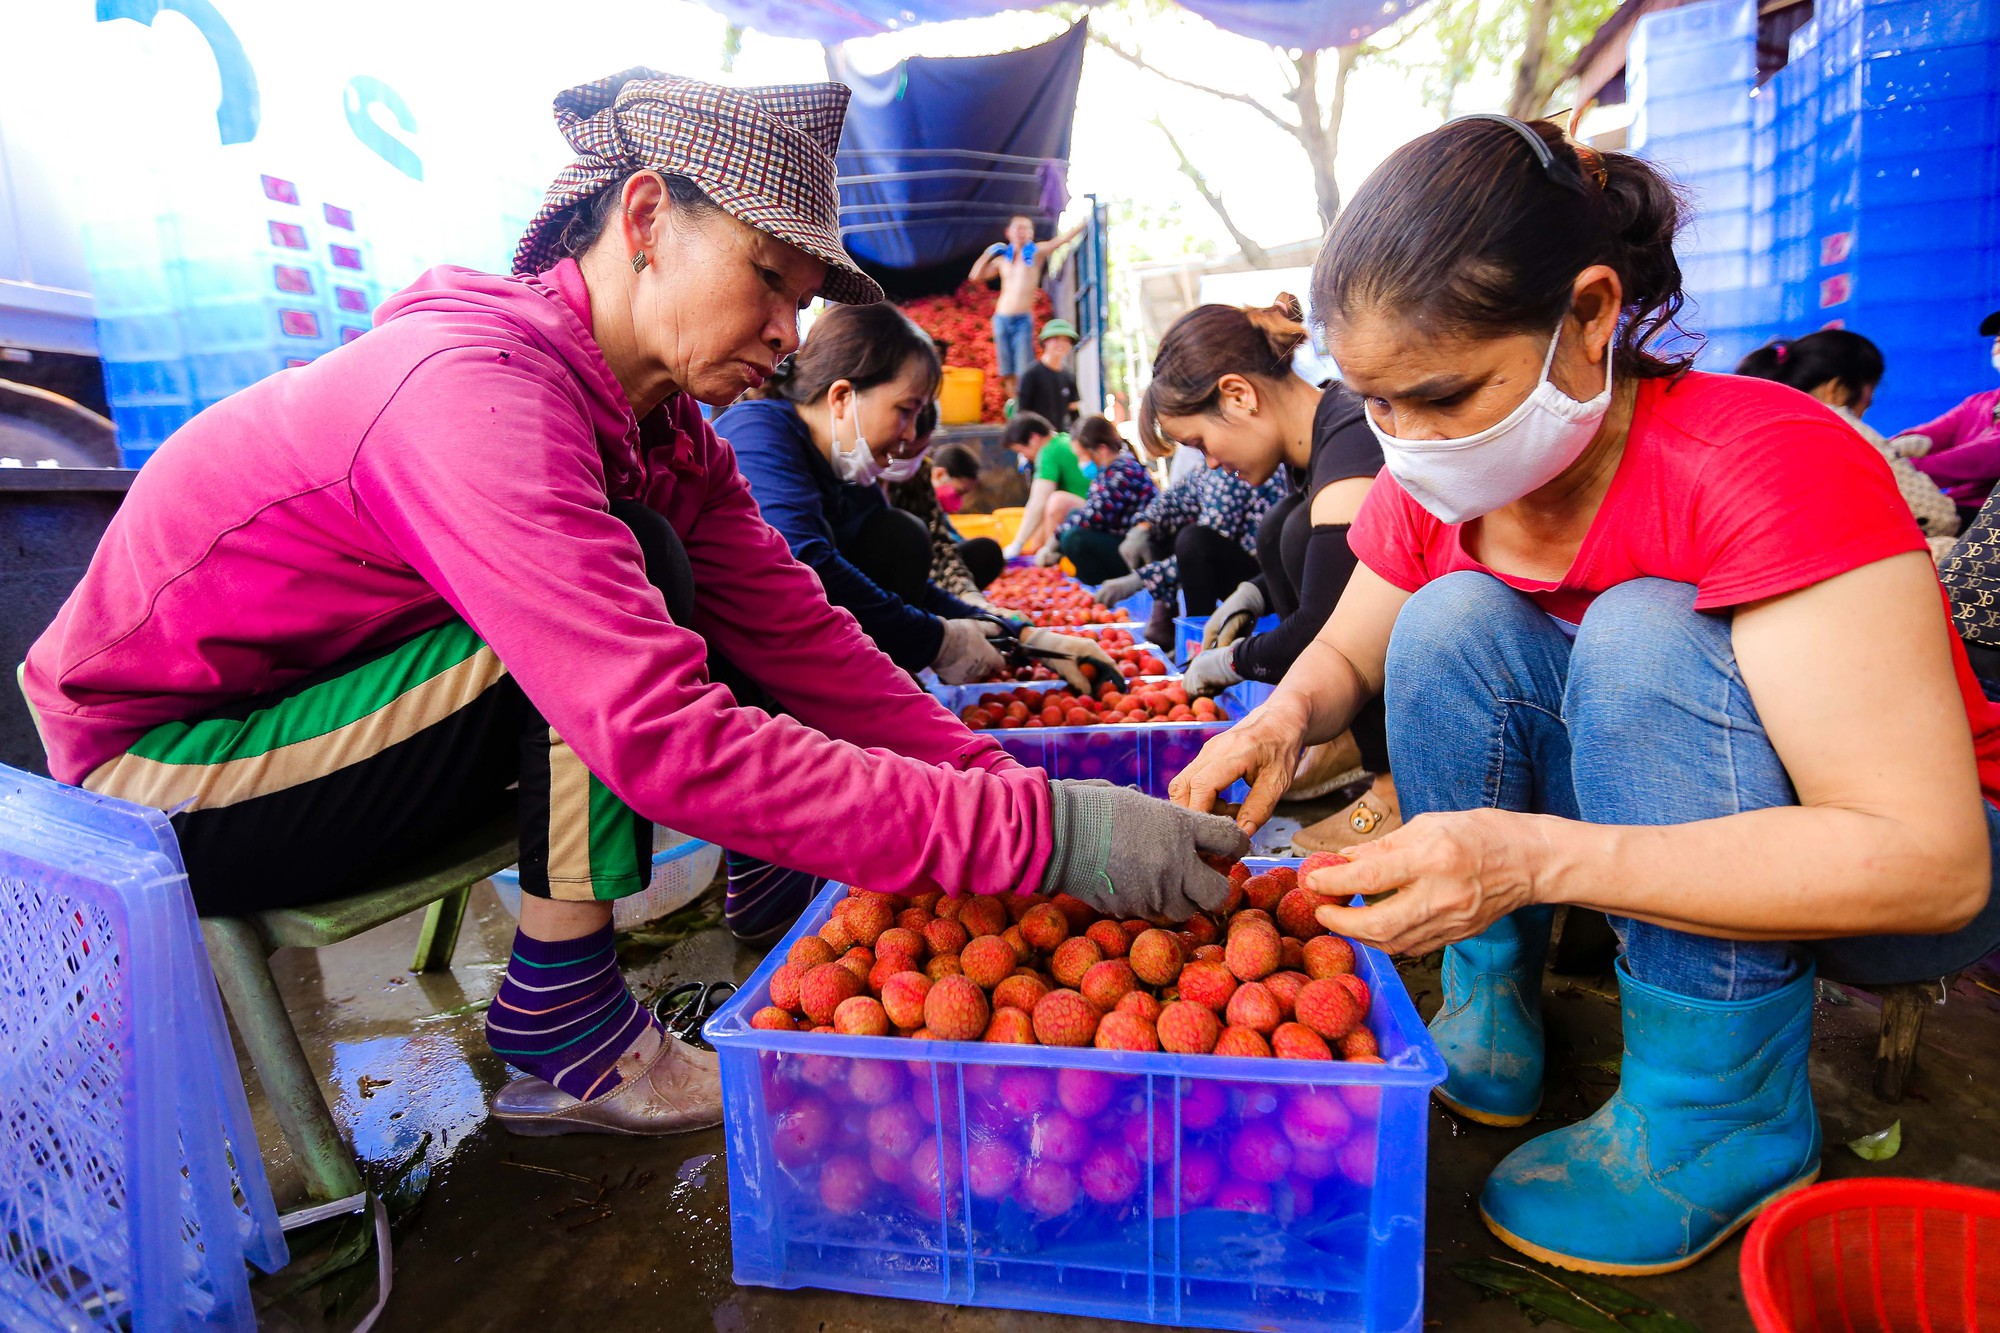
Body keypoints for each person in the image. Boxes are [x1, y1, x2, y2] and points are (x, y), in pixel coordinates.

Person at [25, 71, 1247, 1142]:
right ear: (648, 218)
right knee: (626, 604)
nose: (787, 333)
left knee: (683, 584)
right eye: (768, 280)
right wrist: (1048, 843)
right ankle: (561, 1014)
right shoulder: (475, 396)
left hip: (347, 717)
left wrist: (1002, 789)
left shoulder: (662, 429)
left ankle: (697, 922)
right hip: (169, 770)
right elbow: (660, 738)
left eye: (804, 301)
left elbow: (800, 632)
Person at [1171, 114, 2000, 1276]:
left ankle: (1718, 1107)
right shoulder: (1434, 480)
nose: (1403, 442)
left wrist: (1530, 858)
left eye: (1442, 395)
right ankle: (1487, 996)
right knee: (1449, 616)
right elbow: (1345, 652)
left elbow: (1929, 862)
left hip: (1876, 872)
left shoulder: (1767, 461)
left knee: (1643, 626)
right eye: (1379, 405)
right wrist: (1276, 720)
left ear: (1590, 314)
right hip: (1650, 823)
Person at [718, 302, 1121, 937]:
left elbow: (906, 587)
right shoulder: (757, 434)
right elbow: (800, 566)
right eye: (905, 409)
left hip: (805, 655)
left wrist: (1024, 639)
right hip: (736, 661)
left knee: (895, 541)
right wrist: (935, 640)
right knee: (893, 541)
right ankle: (764, 851)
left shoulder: (842, 470)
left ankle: (793, 847)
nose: (909, 435)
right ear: (844, 395)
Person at [1143, 298, 1393, 835]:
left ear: (1238, 396)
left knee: (1293, 529)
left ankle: (1394, 787)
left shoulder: (1351, 436)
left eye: (1199, 443)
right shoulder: (1312, 447)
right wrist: (1251, 594)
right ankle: (1347, 740)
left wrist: (1232, 661)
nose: (1208, 463)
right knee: (1284, 525)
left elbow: (1329, 626)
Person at [1735, 330, 1958, 552]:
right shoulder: (1836, 422)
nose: (1866, 406)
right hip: (1822, 563)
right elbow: (1934, 516)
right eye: (1867, 399)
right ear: (1836, 389)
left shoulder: (1757, 423)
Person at [1091, 438, 1287, 653]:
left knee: (1193, 540)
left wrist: (1141, 579)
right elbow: (1177, 497)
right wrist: (1145, 525)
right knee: (1168, 533)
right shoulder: (1211, 466)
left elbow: (1205, 545)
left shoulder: (1233, 469)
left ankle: (1198, 640)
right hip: (1245, 571)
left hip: (1268, 583)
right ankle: (1169, 626)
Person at [969, 212, 1087, 403]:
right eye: (1018, 228)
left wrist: (1083, 223)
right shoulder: (1003, 260)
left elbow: (1061, 241)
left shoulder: (1036, 253)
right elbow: (975, 276)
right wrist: (989, 253)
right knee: (1006, 368)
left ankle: (1025, 403)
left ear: (1031, 233)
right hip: (1002, 316)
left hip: (1023, 317)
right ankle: (1013, 405)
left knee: (1024, 366)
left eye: (1026, 228)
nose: (1022, 232)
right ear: (1008, 232)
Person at [1899, 309, 2000, 530]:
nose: (1998, 345)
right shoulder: (1978, 402)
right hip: (1957, 510)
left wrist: (1903, 470)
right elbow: (1931, 434)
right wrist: (1890, 449)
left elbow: (1988, 455)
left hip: (1988, 519)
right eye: (1997, 339)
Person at [1038, 415, 1156, 583]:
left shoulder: (1124, 472)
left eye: (1082, 456)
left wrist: (1054, 539)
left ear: (1102, 449)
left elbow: (1095, 515)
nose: (1081, 463)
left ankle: (1099, 585)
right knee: (1073, 516)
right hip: (1118, 537)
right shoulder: (1108, 471)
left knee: (1074, 539)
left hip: (1135, 550)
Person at [890, 436, 1008, 603]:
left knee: (986, 552)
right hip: (911, 576)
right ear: (939, 474)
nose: (960, 502)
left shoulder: (931, 506)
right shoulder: (908, 488)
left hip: (937, 576)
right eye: (959, 493)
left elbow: (945, 545)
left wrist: (972, 598)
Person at [1000, 411, 1091, 557]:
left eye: (1021, 451)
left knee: (1055, 502)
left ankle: (1052, 559)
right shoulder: (1062, 440)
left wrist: (1017, 544)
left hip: (1089, 513)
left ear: (1034, 438)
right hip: (1088, 509)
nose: (1024, 456)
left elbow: (1038, 501)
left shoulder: (1049, 452)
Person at [1016, 318, 1082, 430]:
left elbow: (1074, 412)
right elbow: (1022, 413)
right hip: (1035, 439)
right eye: (1056, 339)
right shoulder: (1031, 374)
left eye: (1066, 340)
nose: (1061, 344)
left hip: (1060, 438)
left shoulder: (1069, 377)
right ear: (1045, 342)